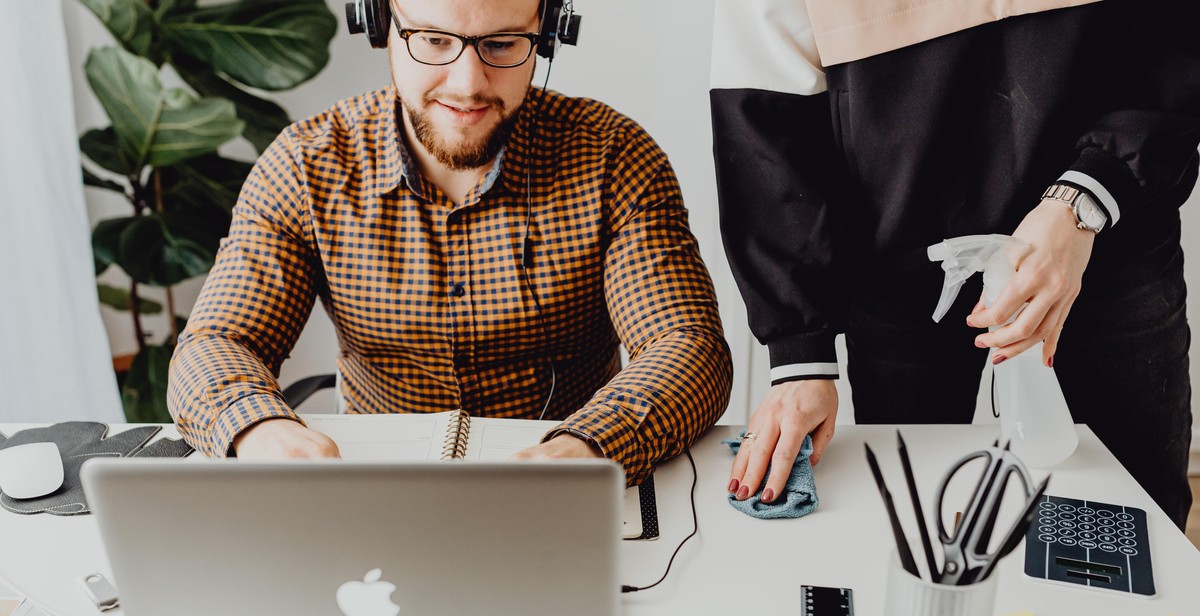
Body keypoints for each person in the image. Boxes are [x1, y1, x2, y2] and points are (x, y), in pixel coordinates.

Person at [167, 0, 732, 487]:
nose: (468, 84)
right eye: (434, 41)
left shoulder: (615, 157)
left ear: (549, 31)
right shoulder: (304, 164)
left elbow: (688, 347)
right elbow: (216, 341)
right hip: (370, 486)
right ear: (380, 23)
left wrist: (586, 447)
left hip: (568, 480)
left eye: (504, 43)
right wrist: (260, 429)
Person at [710, 0, 1199, 527]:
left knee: (1138, 523)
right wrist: (799, 355)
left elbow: (1182, 34)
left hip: (1107, 237)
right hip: (901, 270)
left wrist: (1084, 200)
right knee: (919, 516)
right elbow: (765, 108)